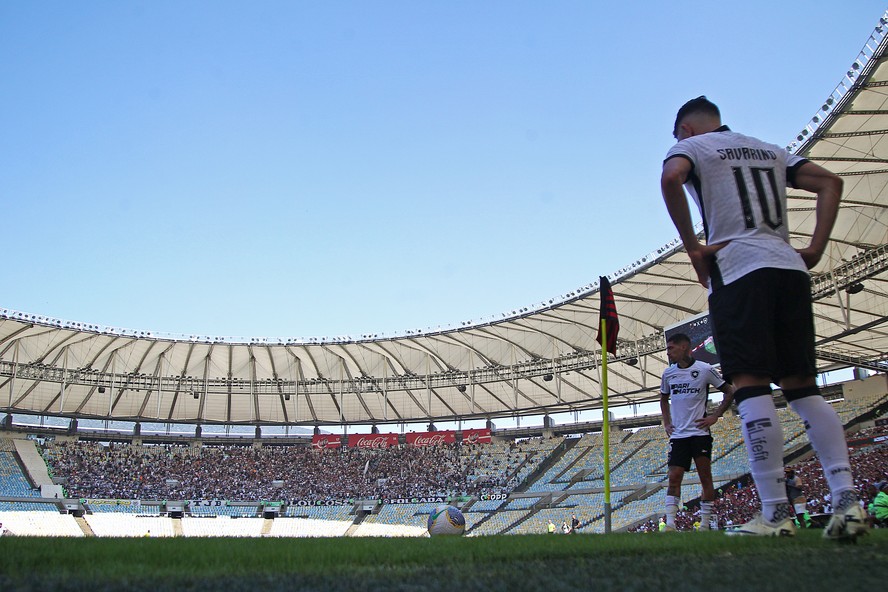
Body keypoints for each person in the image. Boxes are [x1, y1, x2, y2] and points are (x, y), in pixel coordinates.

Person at [661, 96, 867, 540]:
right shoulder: (768, 149)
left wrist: (692, 246)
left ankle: (775, 513)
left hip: (738, 271)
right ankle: (847, 500)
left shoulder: (694, 149)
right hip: (788, 269)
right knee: (802, 388)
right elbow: (831, 182)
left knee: (752, 386)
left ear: (688, 130)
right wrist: (814, 248)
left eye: (676, 134)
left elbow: (671, 179)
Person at [660, 332, 734, 532]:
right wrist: (667, 423)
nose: (668, 352)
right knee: (674, 476)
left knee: (705, 477)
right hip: (678, 435)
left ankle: (704, 524)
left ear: (684, 347)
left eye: (671, 348)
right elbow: (663, 399)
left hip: (700, 434)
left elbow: (730, 391)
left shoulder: (705, 369)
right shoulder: (668, 373)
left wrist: (715, 416)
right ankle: (670, 524)